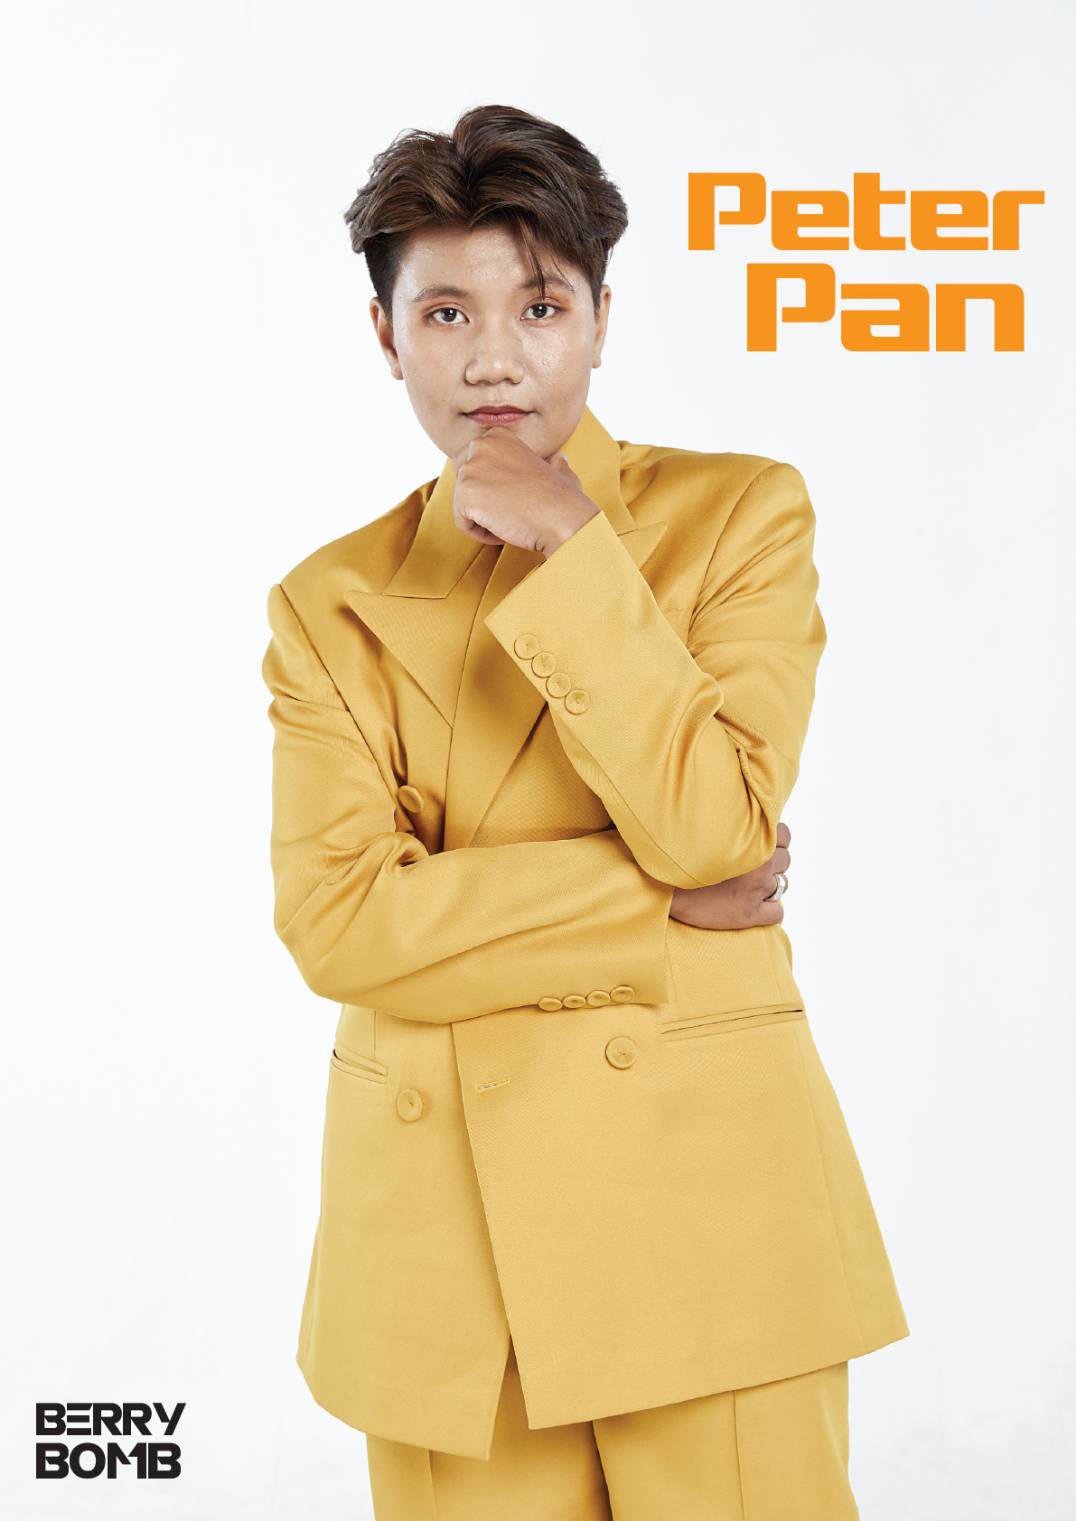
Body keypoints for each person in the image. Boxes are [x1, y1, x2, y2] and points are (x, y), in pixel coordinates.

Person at [261, 102, 909, 1520]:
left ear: (603, 321)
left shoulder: (742, 516)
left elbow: (715, 828)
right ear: (387, 337)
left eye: (540, 306)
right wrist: (653, 904)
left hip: (713, 1212)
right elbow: (340, 923)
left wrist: (572, 543)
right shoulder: (328, 605)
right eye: (445, 312)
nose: (494, 357)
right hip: (445, 1258)